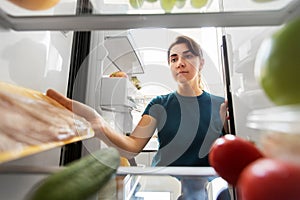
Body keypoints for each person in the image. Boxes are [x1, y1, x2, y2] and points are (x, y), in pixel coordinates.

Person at [46, 35, 230, 199]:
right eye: (174, 59)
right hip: (164, 183)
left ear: (202, 62)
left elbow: (229, 154)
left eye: (188, 56)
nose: (179, 63)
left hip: (210, 188)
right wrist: (98, 125)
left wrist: (224, 130)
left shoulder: (220, 105)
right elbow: (132, 148)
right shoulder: (160, 104)